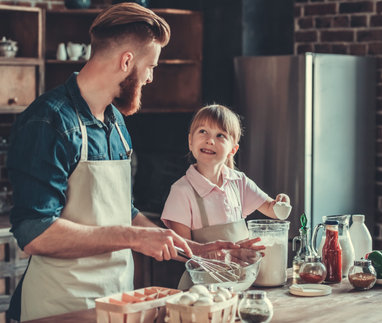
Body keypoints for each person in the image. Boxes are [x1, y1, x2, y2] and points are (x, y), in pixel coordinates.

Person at [6, 4, 236, 321]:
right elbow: (35, 233)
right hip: (61, 307)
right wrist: (134, 237)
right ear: (126, 61)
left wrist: (191, 249)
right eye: (150, 66)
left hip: (116, 302)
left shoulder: (116, 122)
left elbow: (117, 210)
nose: (151, 78)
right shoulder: (49, 122)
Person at [160, 104, 291, 288]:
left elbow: (273, 210)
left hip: (241, 282)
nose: (209, 140)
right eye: (203, 131)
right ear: (190, 141)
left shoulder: (239, 182)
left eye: (220, 135)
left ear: (232, 149)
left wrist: (282, 202)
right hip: (202, 288)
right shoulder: (182, 191)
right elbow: (181, 249)